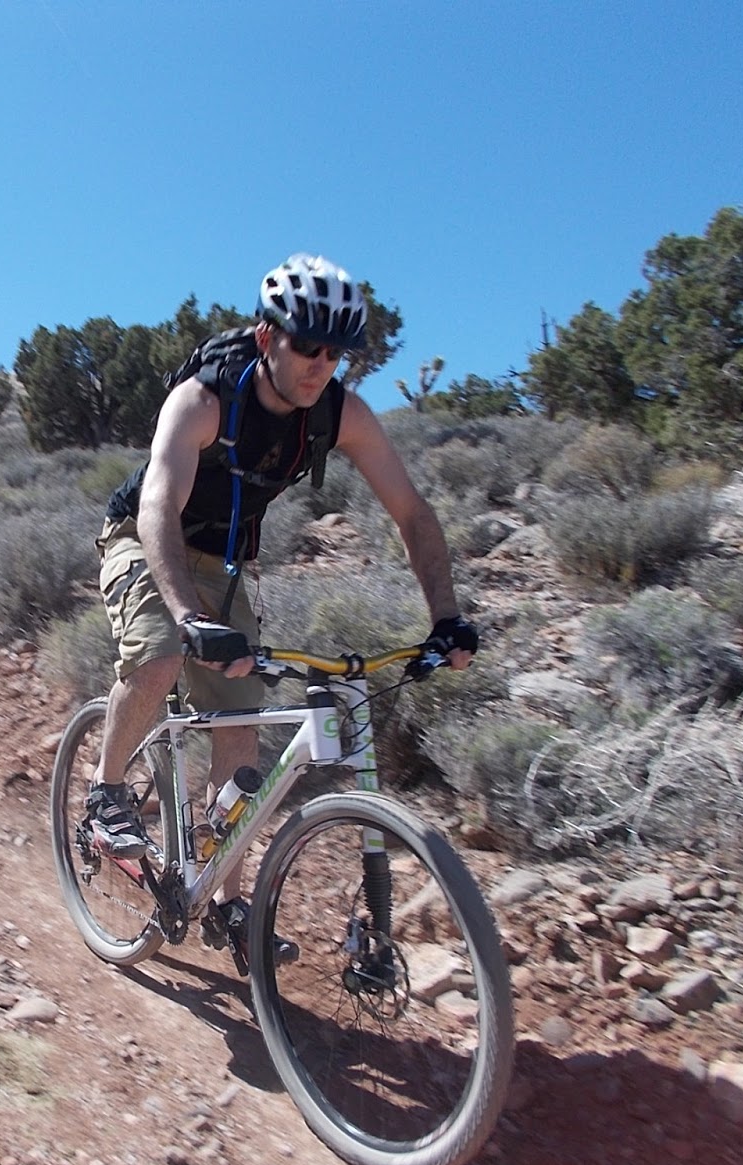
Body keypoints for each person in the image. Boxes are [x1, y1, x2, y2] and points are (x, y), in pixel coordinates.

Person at [89, 253, 478, 958]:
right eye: (308, 346)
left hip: (230, 563)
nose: (321, 365)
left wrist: (444, 615)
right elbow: (156, 506)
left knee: (240, 729)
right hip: (147, 539)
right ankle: (106, 793)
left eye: (337, 353)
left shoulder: (340, 413)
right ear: (268, 338)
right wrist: (185, 615)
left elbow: (413, 515)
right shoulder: (203, 400)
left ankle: (226, 905)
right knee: (160, 655)